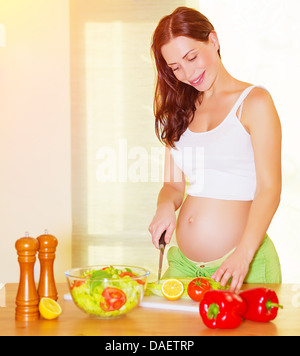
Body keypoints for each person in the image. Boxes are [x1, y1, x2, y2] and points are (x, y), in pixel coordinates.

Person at [148, 7, 282, 293]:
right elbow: (172, 185)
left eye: (191, 57)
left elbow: (270, 189)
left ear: (214, 40)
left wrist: (243, 255)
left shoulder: (254, 102)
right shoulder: (179, 112)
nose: (188, 73)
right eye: (175, 68)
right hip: (184, 266)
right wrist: (164, 207)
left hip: (240, 264)